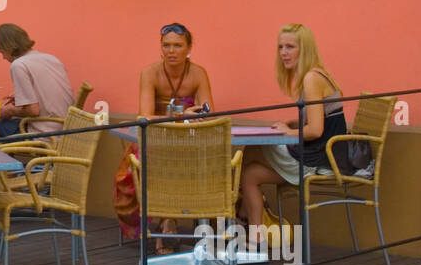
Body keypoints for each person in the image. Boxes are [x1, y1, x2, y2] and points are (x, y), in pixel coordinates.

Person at [113, 23, 217, 245]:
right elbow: (144, 117)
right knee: (153, 164)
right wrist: (180, 117)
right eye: (167, 45)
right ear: (160, 48)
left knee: (197, 164)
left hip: (188, 139)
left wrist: (198, 116)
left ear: (189, 48)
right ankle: (166, 218)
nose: (171, 51)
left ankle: (174, 219)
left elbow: (209, 112)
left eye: (178, 46)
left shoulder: (198, 73)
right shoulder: (150, 73)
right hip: (155, 138)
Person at [237, 23, 347, 228]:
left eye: (290, 47)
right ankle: (251, 232)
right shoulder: (317, 73)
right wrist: (294, 123)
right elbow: (322, 119)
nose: (283, 53)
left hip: (320, 159)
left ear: (304, 50)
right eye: (280, 47)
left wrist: (289, 131)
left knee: (251, 153)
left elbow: (316, 130)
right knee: (250, 172)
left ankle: (241, 213)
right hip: (322, 153)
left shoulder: (311, 78)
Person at [0, 23, 74, 137]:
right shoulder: (52, 58)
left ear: (8, 47)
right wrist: (21, 99)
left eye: (2, 52)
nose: (3, 57)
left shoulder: (18, 65)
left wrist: (9, 110)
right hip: (66, 131)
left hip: (46, 135)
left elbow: (33, 111)